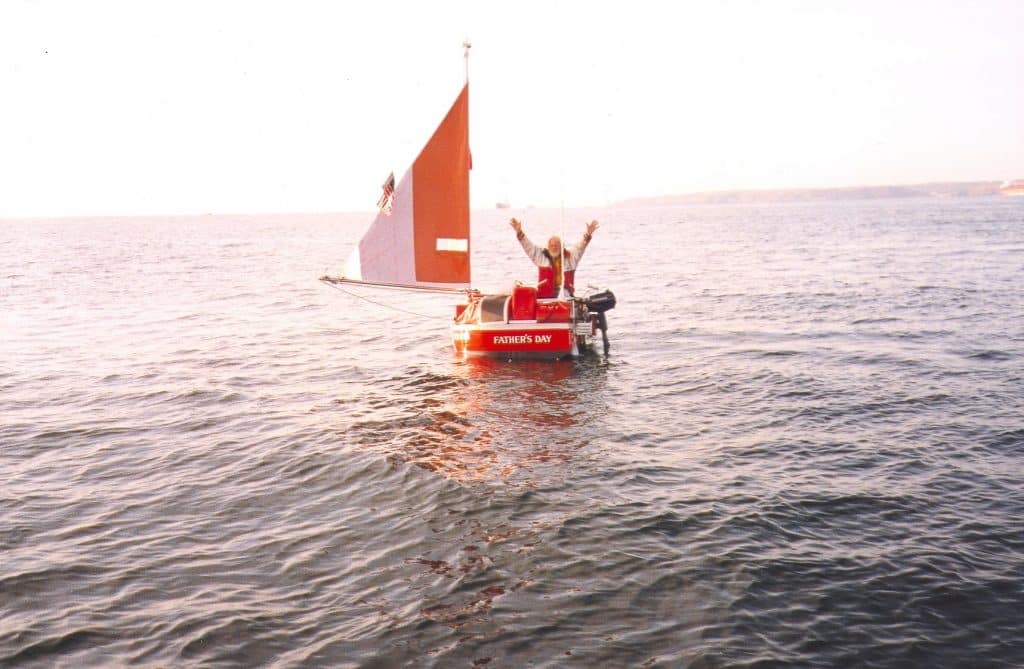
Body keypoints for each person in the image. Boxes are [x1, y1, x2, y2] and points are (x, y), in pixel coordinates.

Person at [509, 217, 599, 298]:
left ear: (561, 246)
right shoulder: (541, 256)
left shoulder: (570, 256)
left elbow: (581, 247)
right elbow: (528, 246)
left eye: (556, 245)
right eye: (551, 245)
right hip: (545, 294)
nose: (554, 247)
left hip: (565, 293)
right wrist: (519, 232)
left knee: (564, 294)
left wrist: (588, 234)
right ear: (548, 246)